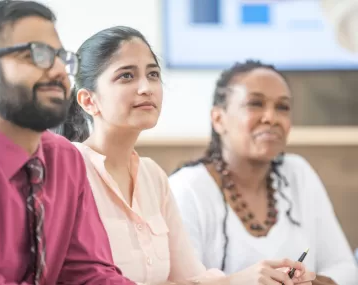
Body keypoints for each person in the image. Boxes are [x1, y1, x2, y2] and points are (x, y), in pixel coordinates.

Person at [54, 26, 315, 285]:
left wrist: (258, 279)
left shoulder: (152, 177)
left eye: (153, 74)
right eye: (126, 76)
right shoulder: (70, 170)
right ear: (88, 100)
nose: (146, 87)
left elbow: (191, 278)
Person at [0, 1, 136, 284]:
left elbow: (90, 272)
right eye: (36, 55)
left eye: (59, 57)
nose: (57, 71)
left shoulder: (64, 159)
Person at [168, 60, 358, 285]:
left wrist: (310, 282)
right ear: (219, 119)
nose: (271, 117)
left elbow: (345, 268)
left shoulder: (298, 173)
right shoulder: (186, 189)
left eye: (283, 107)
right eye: (255, 104)